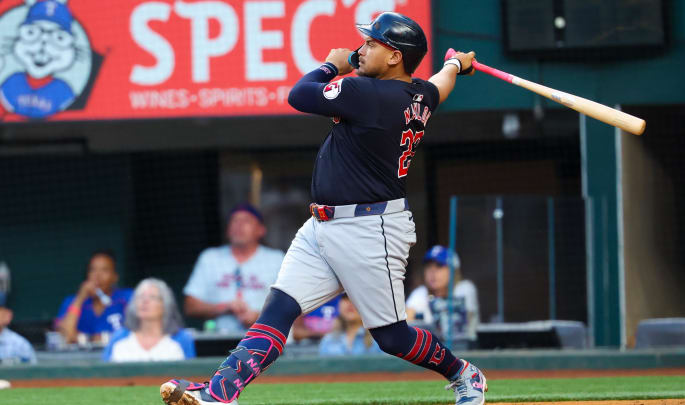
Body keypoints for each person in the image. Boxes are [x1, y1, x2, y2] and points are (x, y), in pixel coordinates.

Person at [160, 12, 487, 405]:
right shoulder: (418, 95)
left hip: (371, 230)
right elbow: (439, 85)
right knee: (279, 308)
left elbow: (299, 94)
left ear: (396, 56)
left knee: (392, 337)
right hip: (322, 226)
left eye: (372, 44)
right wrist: (455, 64)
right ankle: (219, 393)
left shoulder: (367, 93)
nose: (362, 49)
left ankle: (464, 373)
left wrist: (333, 63)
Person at [183, 203, 284, 333]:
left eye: (246, 221)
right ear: (228, 230)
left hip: (264, 337)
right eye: (235, 221)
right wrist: (224, 307)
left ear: (261, 230)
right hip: (218, 338)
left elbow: (292, 305)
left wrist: (260, 317)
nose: (239, 226)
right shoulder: (210, 257)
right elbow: (190, 306)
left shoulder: (276, 259)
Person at [103, 278, 195, 362]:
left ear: (165, 305)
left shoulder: (182, 338)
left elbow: (191, 376)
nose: (145, 301)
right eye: (140, 297)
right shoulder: (118, 337)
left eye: (152, 297)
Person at [406, 246, 480, 344]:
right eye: (429, 267)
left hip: (465, 351)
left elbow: (459, 324)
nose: (432, 272)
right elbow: (405, 324)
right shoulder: (421, 292)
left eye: (439, 266)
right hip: (434, 355)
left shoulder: (465, 288)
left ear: (454, 270)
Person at [56, 250, 133, 344]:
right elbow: (66, 336)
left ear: (115, 277)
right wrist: (80, 298)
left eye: (105, 270)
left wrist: (86, 339)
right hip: (80, 357)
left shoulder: (127, 297)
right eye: (93, 270)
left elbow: (137, 334)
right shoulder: (72, 302)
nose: (98, 276)